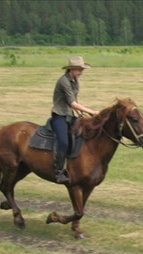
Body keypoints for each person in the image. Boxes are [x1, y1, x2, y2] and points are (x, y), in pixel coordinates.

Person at [51, 56, 99, 184]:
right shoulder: (64, 81)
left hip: (69, 114)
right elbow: (72, 103)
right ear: (71, 70)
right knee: (64, 142)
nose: (80, 72)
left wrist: (80, 113)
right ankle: (59, 171)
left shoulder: (75, 80)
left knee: (85, 133)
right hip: (59, 115)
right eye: (78, 70)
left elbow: (73, 101)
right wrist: (91, 112)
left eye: (81, 70)